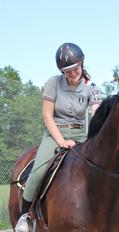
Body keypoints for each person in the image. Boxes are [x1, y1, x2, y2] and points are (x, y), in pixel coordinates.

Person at [15, 42, 102, 232]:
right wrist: (62, 141)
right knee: (37, 173)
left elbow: (96, 114)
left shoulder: (92, 88)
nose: (72, 74)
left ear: (82, 63)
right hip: (55, 134)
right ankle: (25, 217)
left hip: (80, 135)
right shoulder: (53, 83)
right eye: (67, 71)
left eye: (75, 68)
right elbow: (47, 116)